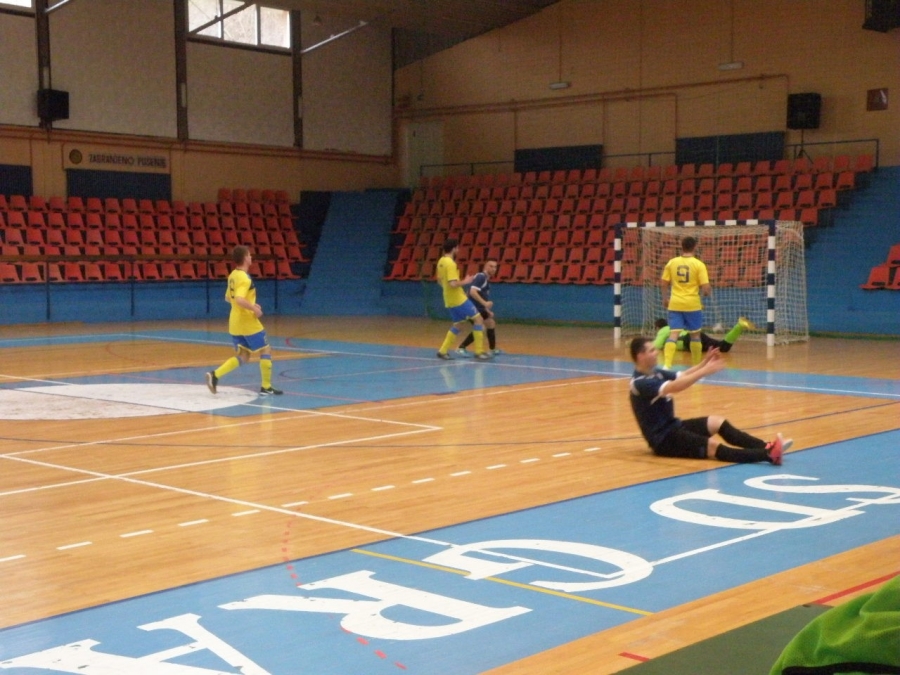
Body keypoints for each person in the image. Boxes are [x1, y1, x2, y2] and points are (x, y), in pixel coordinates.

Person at [629, 336, 791, 464]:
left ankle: (766, 446)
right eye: (651, 350)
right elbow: (675, 386)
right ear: (640, 356)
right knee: (712, 447)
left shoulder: (655, 373)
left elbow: (683, 375)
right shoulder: (639, 383)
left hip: (674, 427)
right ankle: (769, 455)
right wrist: (706, 371)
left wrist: (705, 362)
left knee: (717, 422)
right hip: (663, 440)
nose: (656, 352)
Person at [206, 245, 283, 395]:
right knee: (265, 349)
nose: (251, 257)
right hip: (247, 321)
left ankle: (215, 375)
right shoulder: (244, 278)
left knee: (244, 355)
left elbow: (228, 297)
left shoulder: (233, 275)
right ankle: (266, 387)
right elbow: (239, 299)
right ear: (245, 258)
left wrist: (251, 303)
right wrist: (253, 308)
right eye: (249, 255)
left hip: (235, 321)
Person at [435, 238, 490, 361]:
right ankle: (479, 352)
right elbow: (453, 283)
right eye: (457, 248)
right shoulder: (450, 263)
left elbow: (439, 281)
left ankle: (443, 351)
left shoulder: (441, 261)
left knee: (458, 325)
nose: (458, 250)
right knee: (478, 319)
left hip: (449, 299)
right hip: (458, 299)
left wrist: (448, 290)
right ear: (454, 248)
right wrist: (466, 281)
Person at [660, 235, 710, 369]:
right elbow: (705, 287)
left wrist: (665, 298)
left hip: (675, 303)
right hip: (692, 304)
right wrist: (706, 293)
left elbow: (664, 283)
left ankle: (667, 365)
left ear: (681, 247)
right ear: (695, 247)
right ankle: (696, 366)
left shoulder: (672, 262)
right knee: (695, 335)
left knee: (673, 334)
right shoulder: (699, 264)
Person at [456, 259, 502, 357]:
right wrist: (485, 303)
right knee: (480, 327)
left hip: (479, 308)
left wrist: (487, 310)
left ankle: (492, 349)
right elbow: (472, 292)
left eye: (495, 267)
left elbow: (474, 293)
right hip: (472, 307)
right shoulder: (481, 277)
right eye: (491, 266)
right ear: (485, 267)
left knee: (491, 323)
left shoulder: (486, 279)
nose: (493, 269)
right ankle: (461, 348)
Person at [653, 316, 755, 357]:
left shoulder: (663, 330)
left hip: (688, 341)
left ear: (658, 327)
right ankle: (739, 327)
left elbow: (656, 345)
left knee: (723, 347)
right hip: (694, 336)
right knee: (723, 347)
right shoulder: (673, 327)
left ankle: (739, 326)